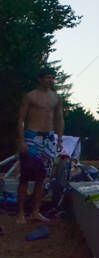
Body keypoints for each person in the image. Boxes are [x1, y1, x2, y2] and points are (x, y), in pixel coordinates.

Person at [16, 68, 63, 224]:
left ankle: (35, 211)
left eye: (52, 78)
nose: (50, 80)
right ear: (40, 79)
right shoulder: (30, 96)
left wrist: (59, 138)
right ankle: (21, 213)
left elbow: (59, 118)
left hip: (48, 138)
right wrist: (22, 140)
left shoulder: (56, 98)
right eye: (48, 77)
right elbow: (21, 119)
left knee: (42, 177)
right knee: (25, 176)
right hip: (32, 137)